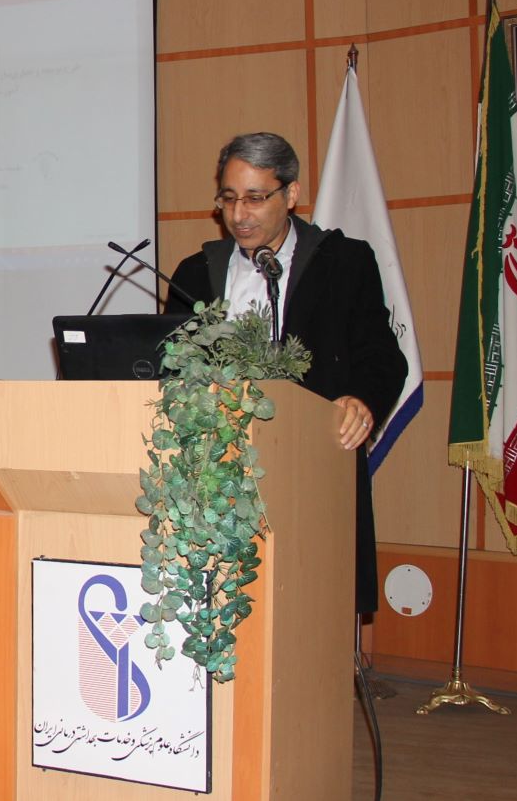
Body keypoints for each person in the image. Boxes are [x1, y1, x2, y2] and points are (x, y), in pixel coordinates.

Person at [164, 132, 406, 615]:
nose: (239, 214)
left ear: (291, 194)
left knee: (310, 608)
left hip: (313, 468)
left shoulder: (343, 262)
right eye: (229, 198)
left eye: (255, 198)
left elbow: (382, 357)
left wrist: (361, 399)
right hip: (216, 476)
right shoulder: (194, 273)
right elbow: (170, 368)